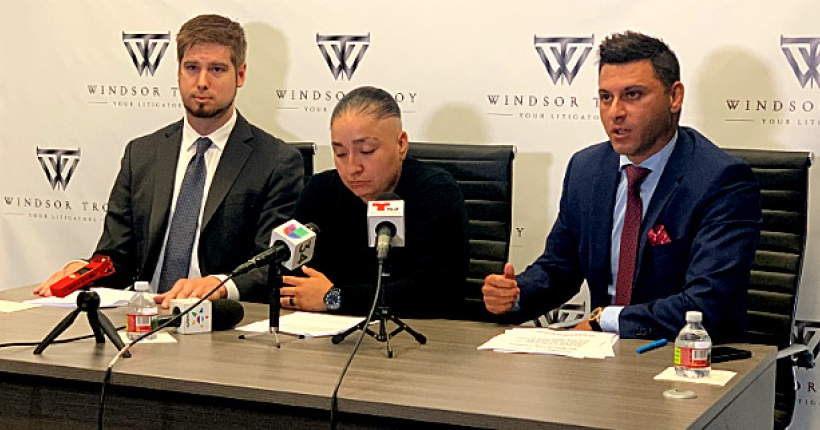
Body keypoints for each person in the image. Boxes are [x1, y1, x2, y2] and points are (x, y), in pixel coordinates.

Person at [482, 31, 761, 342]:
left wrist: (605, 320)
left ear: (675, 97)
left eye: (633, 95)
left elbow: (703, 305)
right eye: (605, 97)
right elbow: (559, 268)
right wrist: (516, 294)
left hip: (689, 359)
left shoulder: (721, 181)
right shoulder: (586, 169)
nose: (616, 112)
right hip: (601, 356)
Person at [34, 14, 304, 306]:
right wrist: (83, 272)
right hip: (142, 315)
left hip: (221, 321)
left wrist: (219, 285)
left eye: (216, 69)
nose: (202, 82)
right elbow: (116, 257)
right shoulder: (141, 154)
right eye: (191, 68)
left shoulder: (276, 161)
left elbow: (272, 263)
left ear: (240, 75)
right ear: (178, 72)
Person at [281, 86, 469, 318]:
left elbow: (434, 293)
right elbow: (288, 273)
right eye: (340, 154)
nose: (352, 168)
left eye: (367, 151)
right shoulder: (320, 190)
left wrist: (334, 298)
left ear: (401, 144)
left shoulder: (435, 192)